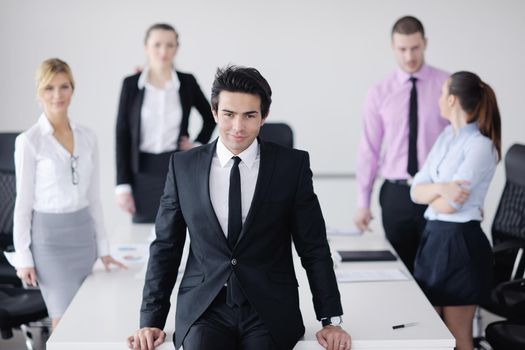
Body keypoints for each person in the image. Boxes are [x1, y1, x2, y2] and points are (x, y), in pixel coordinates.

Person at [128, 66, 352, 350]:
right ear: (214, 113)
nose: (238, 127)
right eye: (228, 115)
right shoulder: (183, 167)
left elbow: (314, 246)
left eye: (249, 116)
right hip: (204, 308)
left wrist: (330, 319)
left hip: (269, 307)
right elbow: (165, 246)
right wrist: (151, 319)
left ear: (264, 117)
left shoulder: (291, 167)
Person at [8, 58, 125, 330]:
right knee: (64, 324)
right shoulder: (29, 141)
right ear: (39, 92)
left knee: (88, 319)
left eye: (64, 87)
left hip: (83, 237)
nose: (57, 95)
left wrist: (103, 248)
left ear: (73, 89)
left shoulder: (87, 137)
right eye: (49, 88)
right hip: (50, 243)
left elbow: (94, 197)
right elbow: (22, 204)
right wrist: (24, 257)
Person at [411, 71, 501, 350]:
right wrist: (443, 187)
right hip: (434, 240)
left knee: (458, 338)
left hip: (461, 246)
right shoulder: (445, 137)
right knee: (431, 336)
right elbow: (415, 191)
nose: (438, 98)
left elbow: (450, 205)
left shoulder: (481, 146)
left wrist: (434, 192)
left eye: (441, 93)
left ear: (451, 99)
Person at [354, 16, 449, 272]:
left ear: (425, 43)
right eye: (402, 49)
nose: (409, 57)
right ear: (393, 48)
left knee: (437, 272)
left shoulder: (447, 85)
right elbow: (369, 149)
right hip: (396, 194)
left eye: (415, 48)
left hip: (436, 192)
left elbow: (460, 143)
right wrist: (363, 202)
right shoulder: (379, 92)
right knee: (401, 272)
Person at [115, 23, 215, 223]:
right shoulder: (131, 84)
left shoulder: (187, 82)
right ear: (146, 47)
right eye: (157, 44)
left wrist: (196, 145)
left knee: (176, 228)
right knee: (142, 236)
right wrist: (122, 186)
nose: (163, 51)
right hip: (141, 171)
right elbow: (122, 135)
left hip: (176, 168)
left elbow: (211, 115)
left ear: (176, 48)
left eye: (170, 45)